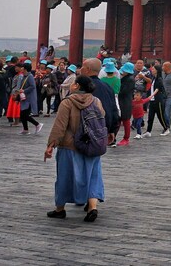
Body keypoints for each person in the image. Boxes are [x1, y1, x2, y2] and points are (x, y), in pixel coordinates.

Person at [44, 75, 106, 222]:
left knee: (65, 177)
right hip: (92, 144)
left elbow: (60, 126)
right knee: (93, 176)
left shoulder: (67, 103)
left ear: (76, 86)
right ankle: (92, 207)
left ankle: (60, 209)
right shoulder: (96, 101)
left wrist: (51, 145)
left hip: (70, 146)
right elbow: (102, 119)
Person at [82, 59, 120, 147]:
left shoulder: (82, 86)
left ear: (88, 69)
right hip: (102, 129)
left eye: (82, 67)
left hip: (84, 129)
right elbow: (113, 110)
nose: (80, 69)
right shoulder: (107, 87)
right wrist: (112, 130)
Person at [12, 62, 42, 135]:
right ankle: (25, 129)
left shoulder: (30, 76)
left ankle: (37, 124)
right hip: (24, 98)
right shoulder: (23, 76)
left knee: (24, 114)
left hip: (29, 99)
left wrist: (24, 90)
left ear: (25, 69)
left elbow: (32, 86)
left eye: (22, 67)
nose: (21, 68)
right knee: (22, 114)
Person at [144, 62, 171, 137]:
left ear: (157, 70)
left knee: (160, 116)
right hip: (152, 100)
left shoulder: (159, 79)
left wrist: (151, 95)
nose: (152, 70)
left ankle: (166, 128)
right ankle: (148, 131)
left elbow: (157, 89)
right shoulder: (154, 78)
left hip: (158, 100)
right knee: (150, 116)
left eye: (153, 69)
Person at [116, 62, 136, 146]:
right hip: (123, 101)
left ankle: (126, 138)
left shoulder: (129, 79)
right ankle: (113, 137)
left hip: (125, 102)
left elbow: (124, 91)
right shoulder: (127, 78)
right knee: (120, 120)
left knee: (126, 120)